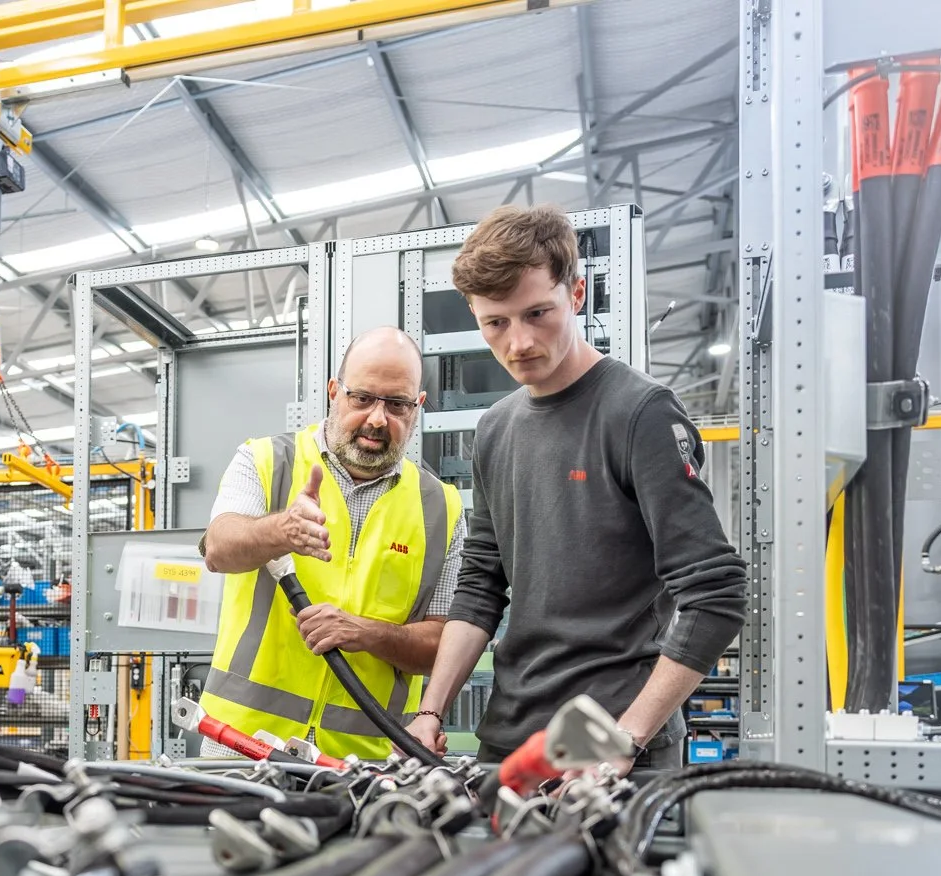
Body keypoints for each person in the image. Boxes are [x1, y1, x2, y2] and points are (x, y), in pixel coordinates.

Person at [404, 206, 746, 770]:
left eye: (538, 313)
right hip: (510, 739)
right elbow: (481, 585)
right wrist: (432, 711)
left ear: (578, 292)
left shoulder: (639, 414)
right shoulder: (494, 429)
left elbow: (717, 595)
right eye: (496, 323)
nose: (519, 343)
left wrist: (625, 738)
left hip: (614, 743)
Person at [198, 326, 465, 761]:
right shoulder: (265, 460)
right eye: (362, 398)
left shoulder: (444, 508)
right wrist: (280, 529)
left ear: (417, 408)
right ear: (334, 392)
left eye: (397, 404)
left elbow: (442, 645)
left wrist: (366, 633)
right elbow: (219, 549)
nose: (378, 419)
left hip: (364, 759)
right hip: (242, 744)